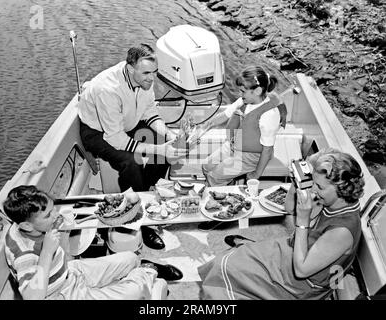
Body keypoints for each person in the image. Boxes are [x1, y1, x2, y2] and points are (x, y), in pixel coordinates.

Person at [198, 148, 365, 299]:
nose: (313, 190)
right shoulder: (335, 202)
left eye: (319, 187)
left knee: (228, 269)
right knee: (230, 260)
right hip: (296, 251)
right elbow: (289, 208)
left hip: (302, 283)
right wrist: (296, 183)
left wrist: (302, 220)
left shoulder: (342, 231)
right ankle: (245, 249)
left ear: (342, 188)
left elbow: (301, 270)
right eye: (314, 183)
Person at [78, 43, 186, 249]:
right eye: (146, 72)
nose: (151, 78)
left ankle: (143, 195)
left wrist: (169, 135)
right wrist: (160, 150)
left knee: (161, 144)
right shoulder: (107, 89)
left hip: (127, 123)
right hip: (99, 132)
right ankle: (140, 220)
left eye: (154, 72)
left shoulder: (145, 79)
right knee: (130, 163)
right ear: (130, 69)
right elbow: (116, 138)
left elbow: (150, 114)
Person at [3, 185, 183, 300]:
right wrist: (47, 253)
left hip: (70, 271)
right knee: (134, 292)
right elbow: (32, 297)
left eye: (53, 209)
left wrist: (59, 221)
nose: (55, 214)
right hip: (60, 294)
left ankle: (138, 268)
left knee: (129, 258)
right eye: (48, 214)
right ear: (26, 225)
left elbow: (53, 223)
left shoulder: (31, 225)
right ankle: (149, 272)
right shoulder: (22, 253)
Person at [193, 66, 287, 230]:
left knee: (216, 175)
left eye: (243, 91)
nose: (240, 95)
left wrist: (256, 174)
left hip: (251, 155)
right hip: (234, 145)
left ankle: (222, 217)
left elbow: (267, 149)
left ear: (257, 90)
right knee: (206, 166)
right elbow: (225, 115)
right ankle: (219, 194)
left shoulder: (269, 115)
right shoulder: (245, 100)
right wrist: (205, 125)